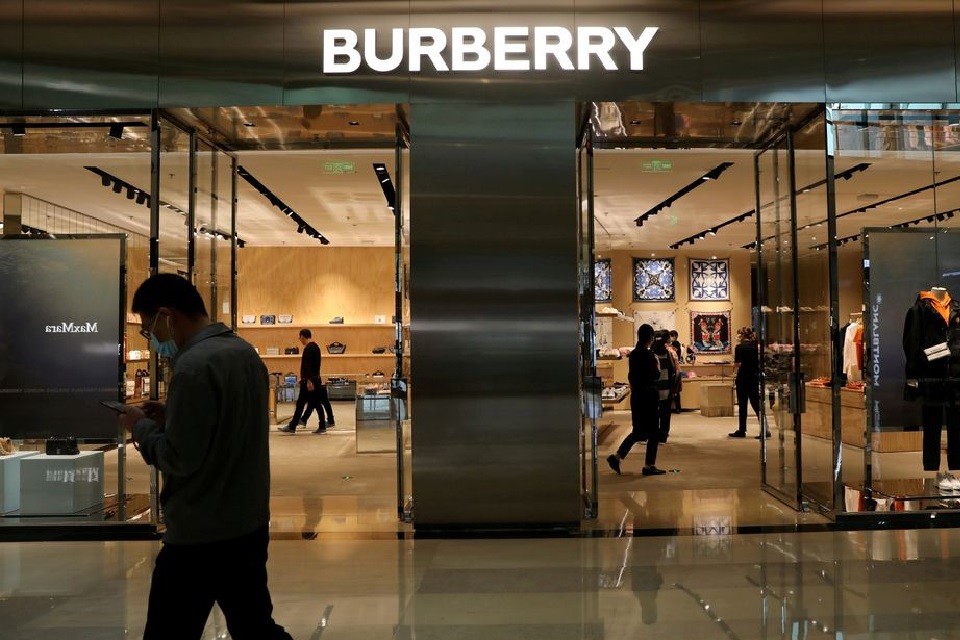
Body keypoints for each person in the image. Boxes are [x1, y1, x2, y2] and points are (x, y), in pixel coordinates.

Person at [119, 274, 292, 640]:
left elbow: (178, 458)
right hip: (247, 521)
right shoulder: (243, 352)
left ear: (168, 315)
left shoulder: (193, 365)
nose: (152, 338)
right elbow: (228, 422)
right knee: (255, 625)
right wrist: (174, 412)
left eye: (148, 328)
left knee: (169, 631)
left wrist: (141, 427)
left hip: (200, 530)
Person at [607, 324, 667, 476]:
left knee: (638, 431)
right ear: (651, 338)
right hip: (649, 396)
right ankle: (649, 465)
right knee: (653, 432)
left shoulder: (633, 355)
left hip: (637, 396)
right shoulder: (650, 355)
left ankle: (617, 457)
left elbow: (631, 376)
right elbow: (655, 376)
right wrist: (657, 366)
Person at [278, 328, 327, 434]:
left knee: (308, 404)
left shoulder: (308, 348)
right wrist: (304, 378)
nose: (299, 339)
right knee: (313, 403)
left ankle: (293, 426)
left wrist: (308, 380)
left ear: (303, 336)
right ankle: (295, 426)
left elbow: (308, 366)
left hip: (310, 382)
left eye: (300, 337)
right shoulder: (316, 347)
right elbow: (313, 366)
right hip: (312, 380)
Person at [729, 327, 766, 439]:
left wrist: (734, 371)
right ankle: (764, 428)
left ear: (742, 335)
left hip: (743, 378)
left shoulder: (739, 347)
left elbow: (737, 365)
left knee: (742, 405)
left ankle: (742, 429)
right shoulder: (755, 347)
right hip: (753, 378)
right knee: (756, 404)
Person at [652, 330, 680, 443]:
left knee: (654, 413)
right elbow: (673, 370)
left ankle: (654, 434)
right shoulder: (668, 352)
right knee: (665, 414)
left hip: (653, 389)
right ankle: (663, 436)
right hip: (666, 388)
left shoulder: (651, 352)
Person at [669, 330, 683, 413]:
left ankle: (678, 408)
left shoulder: (676, 343)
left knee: (676, 390)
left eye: (672, 336)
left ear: (675, 336)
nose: (671, 338)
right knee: (673, 390)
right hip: (673, 367)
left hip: (676, 367)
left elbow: (674, 352)